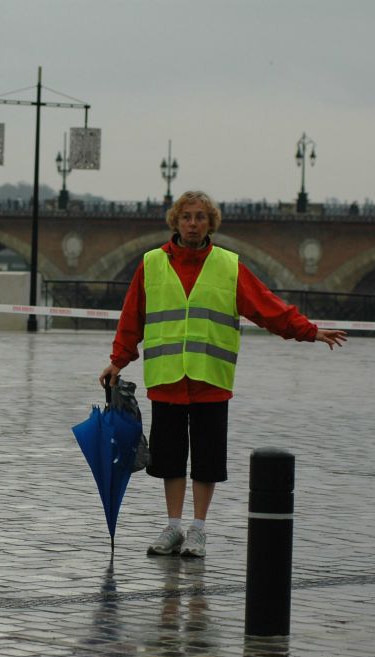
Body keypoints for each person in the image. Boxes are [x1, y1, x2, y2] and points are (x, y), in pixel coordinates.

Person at [99, 190, 346, 559]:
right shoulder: (151, 264)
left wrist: (309, 330)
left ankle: (198, 529)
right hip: (167, 379)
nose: (194, 223)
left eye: (200, 217)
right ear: (176, 222)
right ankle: (173, 526)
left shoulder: (228, 265)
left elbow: (267, 308)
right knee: (169, 459)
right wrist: (118, 361)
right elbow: (132, 316)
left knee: (206, 459)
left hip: (210, 381)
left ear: (210, 223)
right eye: (187, 217)